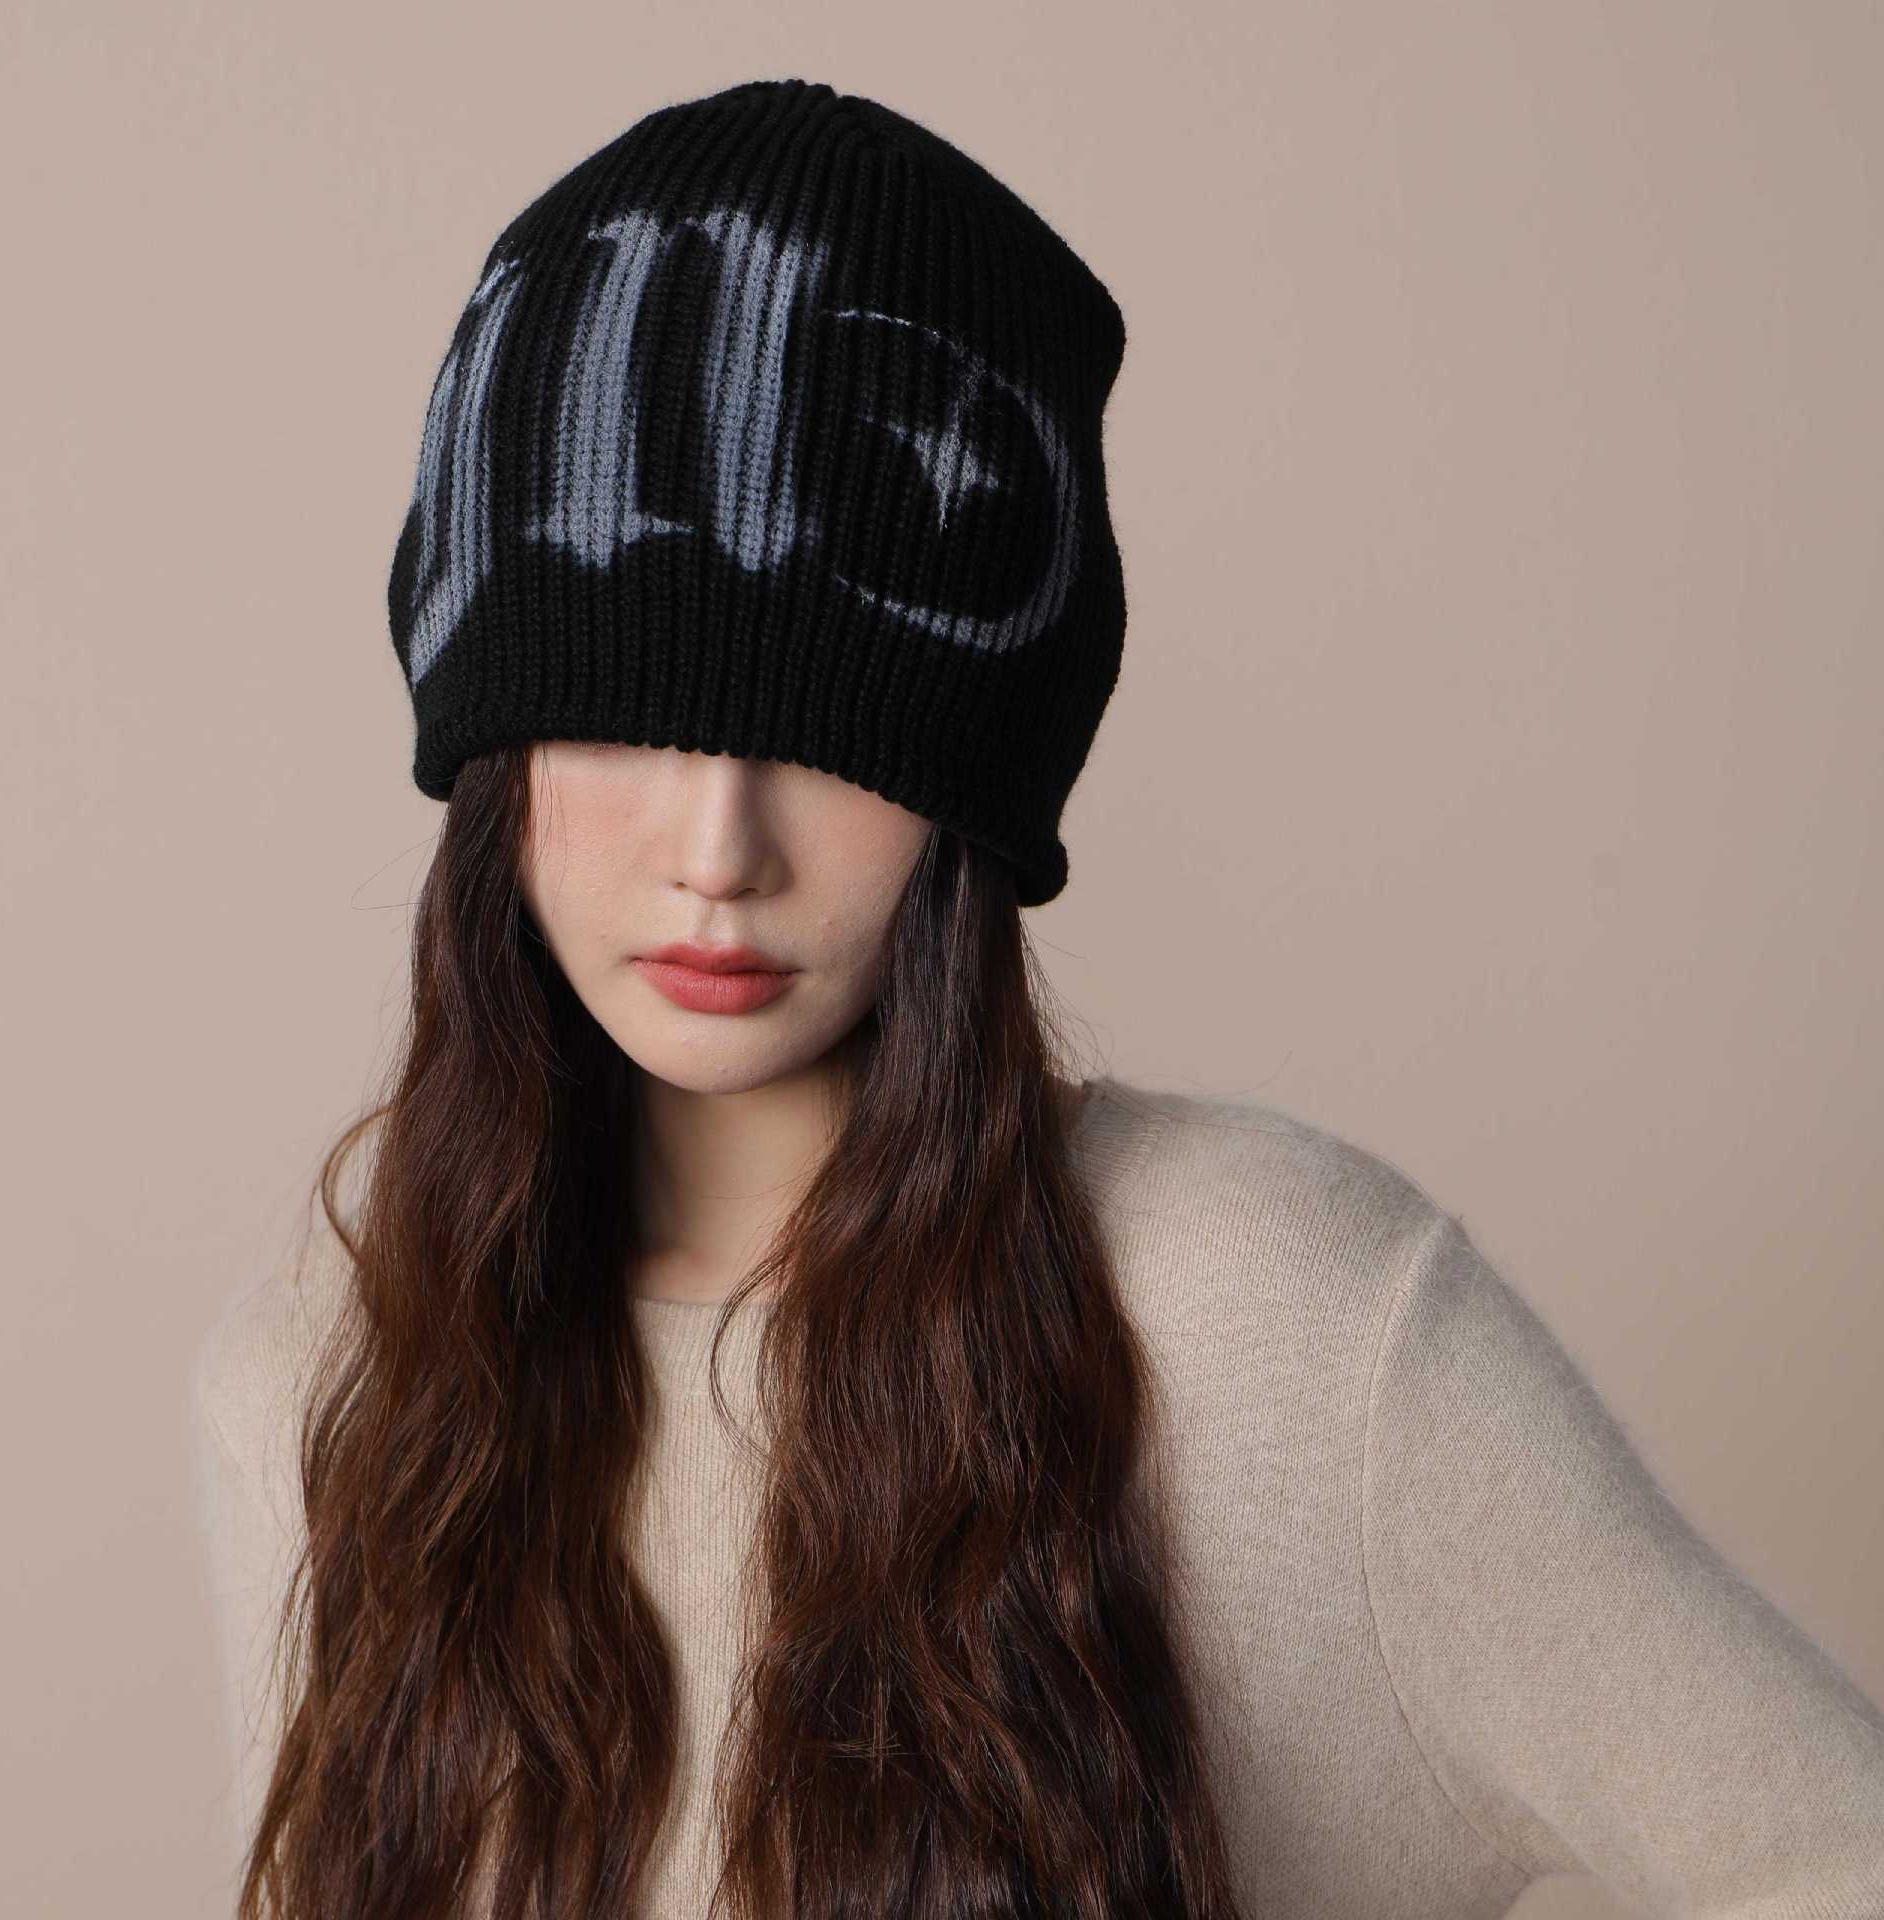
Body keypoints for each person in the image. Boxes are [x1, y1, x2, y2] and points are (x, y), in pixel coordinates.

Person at [188, 76, 1884, 1920]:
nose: (717, 849)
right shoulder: (327, 1384)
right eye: (620, 715)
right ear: (489, 758)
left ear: (973, 789)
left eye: (828, 741)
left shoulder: (1285, 1333)